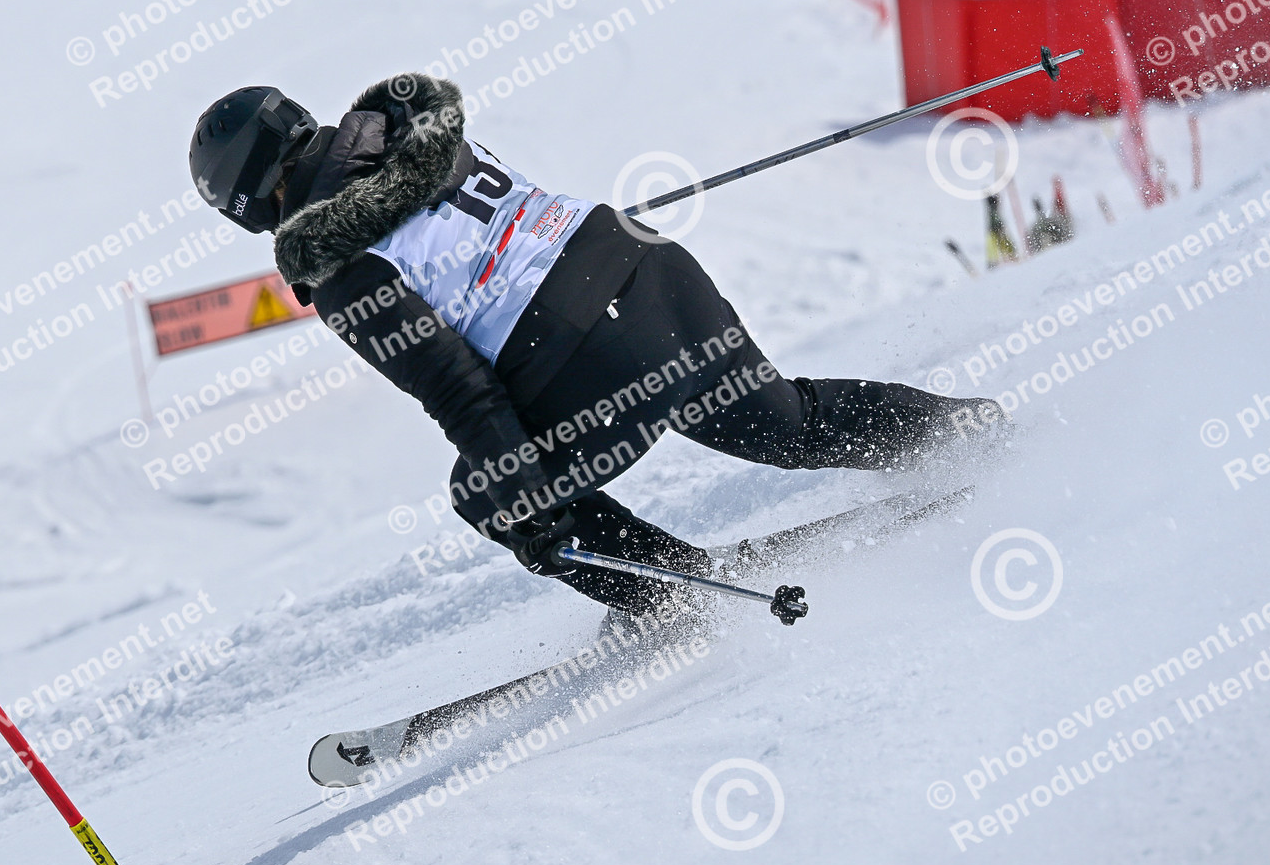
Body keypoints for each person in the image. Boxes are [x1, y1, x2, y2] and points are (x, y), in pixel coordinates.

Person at [189, 74, 1003, 615]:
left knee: (486, 489)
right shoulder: (411, 135)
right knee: (785, 423)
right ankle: (966, 432)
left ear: (245, 200)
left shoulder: (337, 264)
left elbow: (458, 389)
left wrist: (531, 513)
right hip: (657, 277)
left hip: (596, 358)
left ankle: (679, 600)